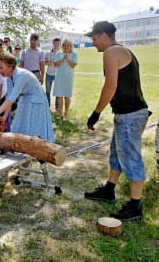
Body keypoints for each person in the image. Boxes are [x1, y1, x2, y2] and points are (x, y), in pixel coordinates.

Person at [84, 21, 149, 221]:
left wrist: (96, 113)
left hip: (130, 115)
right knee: (117, 153)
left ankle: (135, 206)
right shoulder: (121, 51)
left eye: (94, 39)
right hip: (129, 113)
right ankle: (109, 190)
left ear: (104, 35)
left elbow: (110, 86)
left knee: (130, 157)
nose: (93, 43)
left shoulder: (111, 52)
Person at [0, 53, 54, 142]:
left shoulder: (22, 75)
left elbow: (11, 99)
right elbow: (8, 98)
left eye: (1, 68)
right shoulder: (8, 78)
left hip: (36, 100)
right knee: (21, 125)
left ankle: (36, 148)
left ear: (10, 66)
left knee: (34, 127)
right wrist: (3, 118)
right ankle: (23, 149)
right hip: (25, 99)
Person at [53, 39, 77, 120]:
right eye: (64, 45)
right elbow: (55, 64)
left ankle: (66, 113)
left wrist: (67, 58)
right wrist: (63, 58)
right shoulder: (58, 53)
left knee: (67, 96)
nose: (66, 47)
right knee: (59, 96)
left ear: (71, 46)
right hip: (59, 78)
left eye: (68, 45)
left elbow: (73, 65)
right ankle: (60, 114)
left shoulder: (74, 54)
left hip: (68, 78)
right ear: (62, 46)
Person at [45, 38, 61, 109]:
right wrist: (51, 62)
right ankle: (47, 105)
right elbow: (45, 63)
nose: (56, 45)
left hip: (58, 75)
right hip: (49, 74)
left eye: (58, 44)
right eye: (55, 44)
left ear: (60, 44)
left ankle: (57, 106)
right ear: (53, 44)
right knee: (48, 91)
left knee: (57, 91)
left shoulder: (62, 53)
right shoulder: (48, 53)